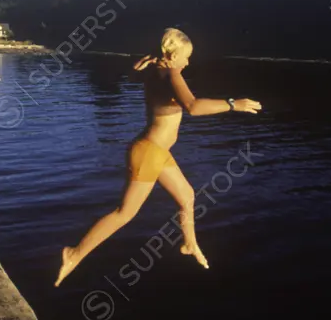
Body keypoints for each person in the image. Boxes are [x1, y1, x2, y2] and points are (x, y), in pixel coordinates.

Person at [54, 28, 261, 286]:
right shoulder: (172, 74)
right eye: (186, 56)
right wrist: (233, 104)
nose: (188, 62)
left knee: (187, 197)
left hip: (157, 152)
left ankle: (189, 244)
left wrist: (141, 63)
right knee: (124, 214)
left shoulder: (156, 71)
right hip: (148, 153)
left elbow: (132, 75)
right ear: (173, 56)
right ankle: (73, 254)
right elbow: (193, 107)